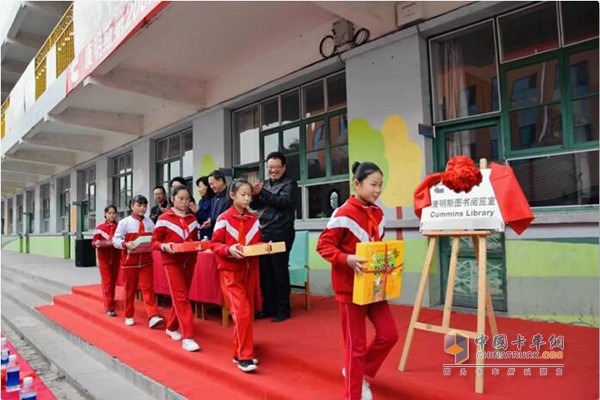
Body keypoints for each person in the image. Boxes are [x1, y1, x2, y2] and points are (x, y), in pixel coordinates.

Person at [316, 161, 399, 400]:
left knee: (389, 334)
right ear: (357, 184)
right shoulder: (343, 213)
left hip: (373, 287)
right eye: (373, 184)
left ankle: (358, 372)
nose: (377, 190)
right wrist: (346, 258)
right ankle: (353, 393)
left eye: (380, 185)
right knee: (356, 347)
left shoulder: (378, 213)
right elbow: (323, 246)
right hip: (349, 289)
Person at [211, 179, 261, 373]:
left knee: (247, 314)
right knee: (241, 312)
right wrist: (229, 249)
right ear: (232, 195)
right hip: (230, 272)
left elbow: (257, 243)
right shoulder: (223, 218)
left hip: (250, 271)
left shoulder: (254, 219)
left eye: (249, 195)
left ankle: (238, 352)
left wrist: (266, 247)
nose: (247, 198)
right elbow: (214, 245)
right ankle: (245, 357)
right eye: (243, 194)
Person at [152, 186, 201, 352]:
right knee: (181, 297)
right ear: (172, 199)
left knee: (183, 296)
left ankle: (171, 327)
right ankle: (188, 336)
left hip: (190, 261)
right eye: (181, 198)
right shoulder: (164, 218)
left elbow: (195, 240)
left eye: (187, 199)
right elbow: (154, 242)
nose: (185, 202)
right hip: (172, 262)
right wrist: (165, 246)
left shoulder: (193, 219)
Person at [250, 152, 298, 322]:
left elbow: (283, 203)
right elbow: (255, 205)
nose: (272, 170)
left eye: (276, 167)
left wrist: (262, 192)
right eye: (270, 167)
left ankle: (283, 309)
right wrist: (255, 194)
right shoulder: (266, 184)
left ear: (283, 167)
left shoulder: (290, 184)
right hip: (264, 232)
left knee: (279, 271)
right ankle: (269, 307)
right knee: (265, 272)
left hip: (282, 232)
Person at [113, 194, 164, 329]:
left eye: (145, 206)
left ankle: (153, 315)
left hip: (146, 260)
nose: (142, 208)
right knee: (130, 290)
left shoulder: (150, 223)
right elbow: (115, 240)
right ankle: (129, 315)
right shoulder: (124, 223)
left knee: (148, 289)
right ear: (132, 206)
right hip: (130, 262)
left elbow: (155, 238)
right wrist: (126, 244)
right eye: (139, 205)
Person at [91, 205, 120, 317]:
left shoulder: (119, 226)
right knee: (107, 281)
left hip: (116, 258)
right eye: (109, 213)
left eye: (113, 213)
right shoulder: (100, 228)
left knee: (113, 281)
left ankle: (111, 300)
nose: (112, 215)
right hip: (104, 258)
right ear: (105, 214)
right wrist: (96, 243)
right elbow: (93, 242)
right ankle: (109, 307)